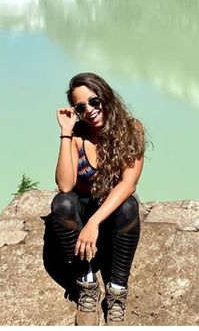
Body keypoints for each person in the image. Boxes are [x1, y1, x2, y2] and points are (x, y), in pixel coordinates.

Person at [49, 72, 146, 325]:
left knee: (128, 207)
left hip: (110, 212)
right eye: (81, 107)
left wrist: (93, 223)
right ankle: (87, 283)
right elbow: (65, 184)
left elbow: (129, 183)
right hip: (84, 207)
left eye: (94, 101)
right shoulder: (78, 135)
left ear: (106, 96)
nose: (89, 110)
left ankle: (116, 291)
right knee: (62, 203)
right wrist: (66, 133)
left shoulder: (131, 129)